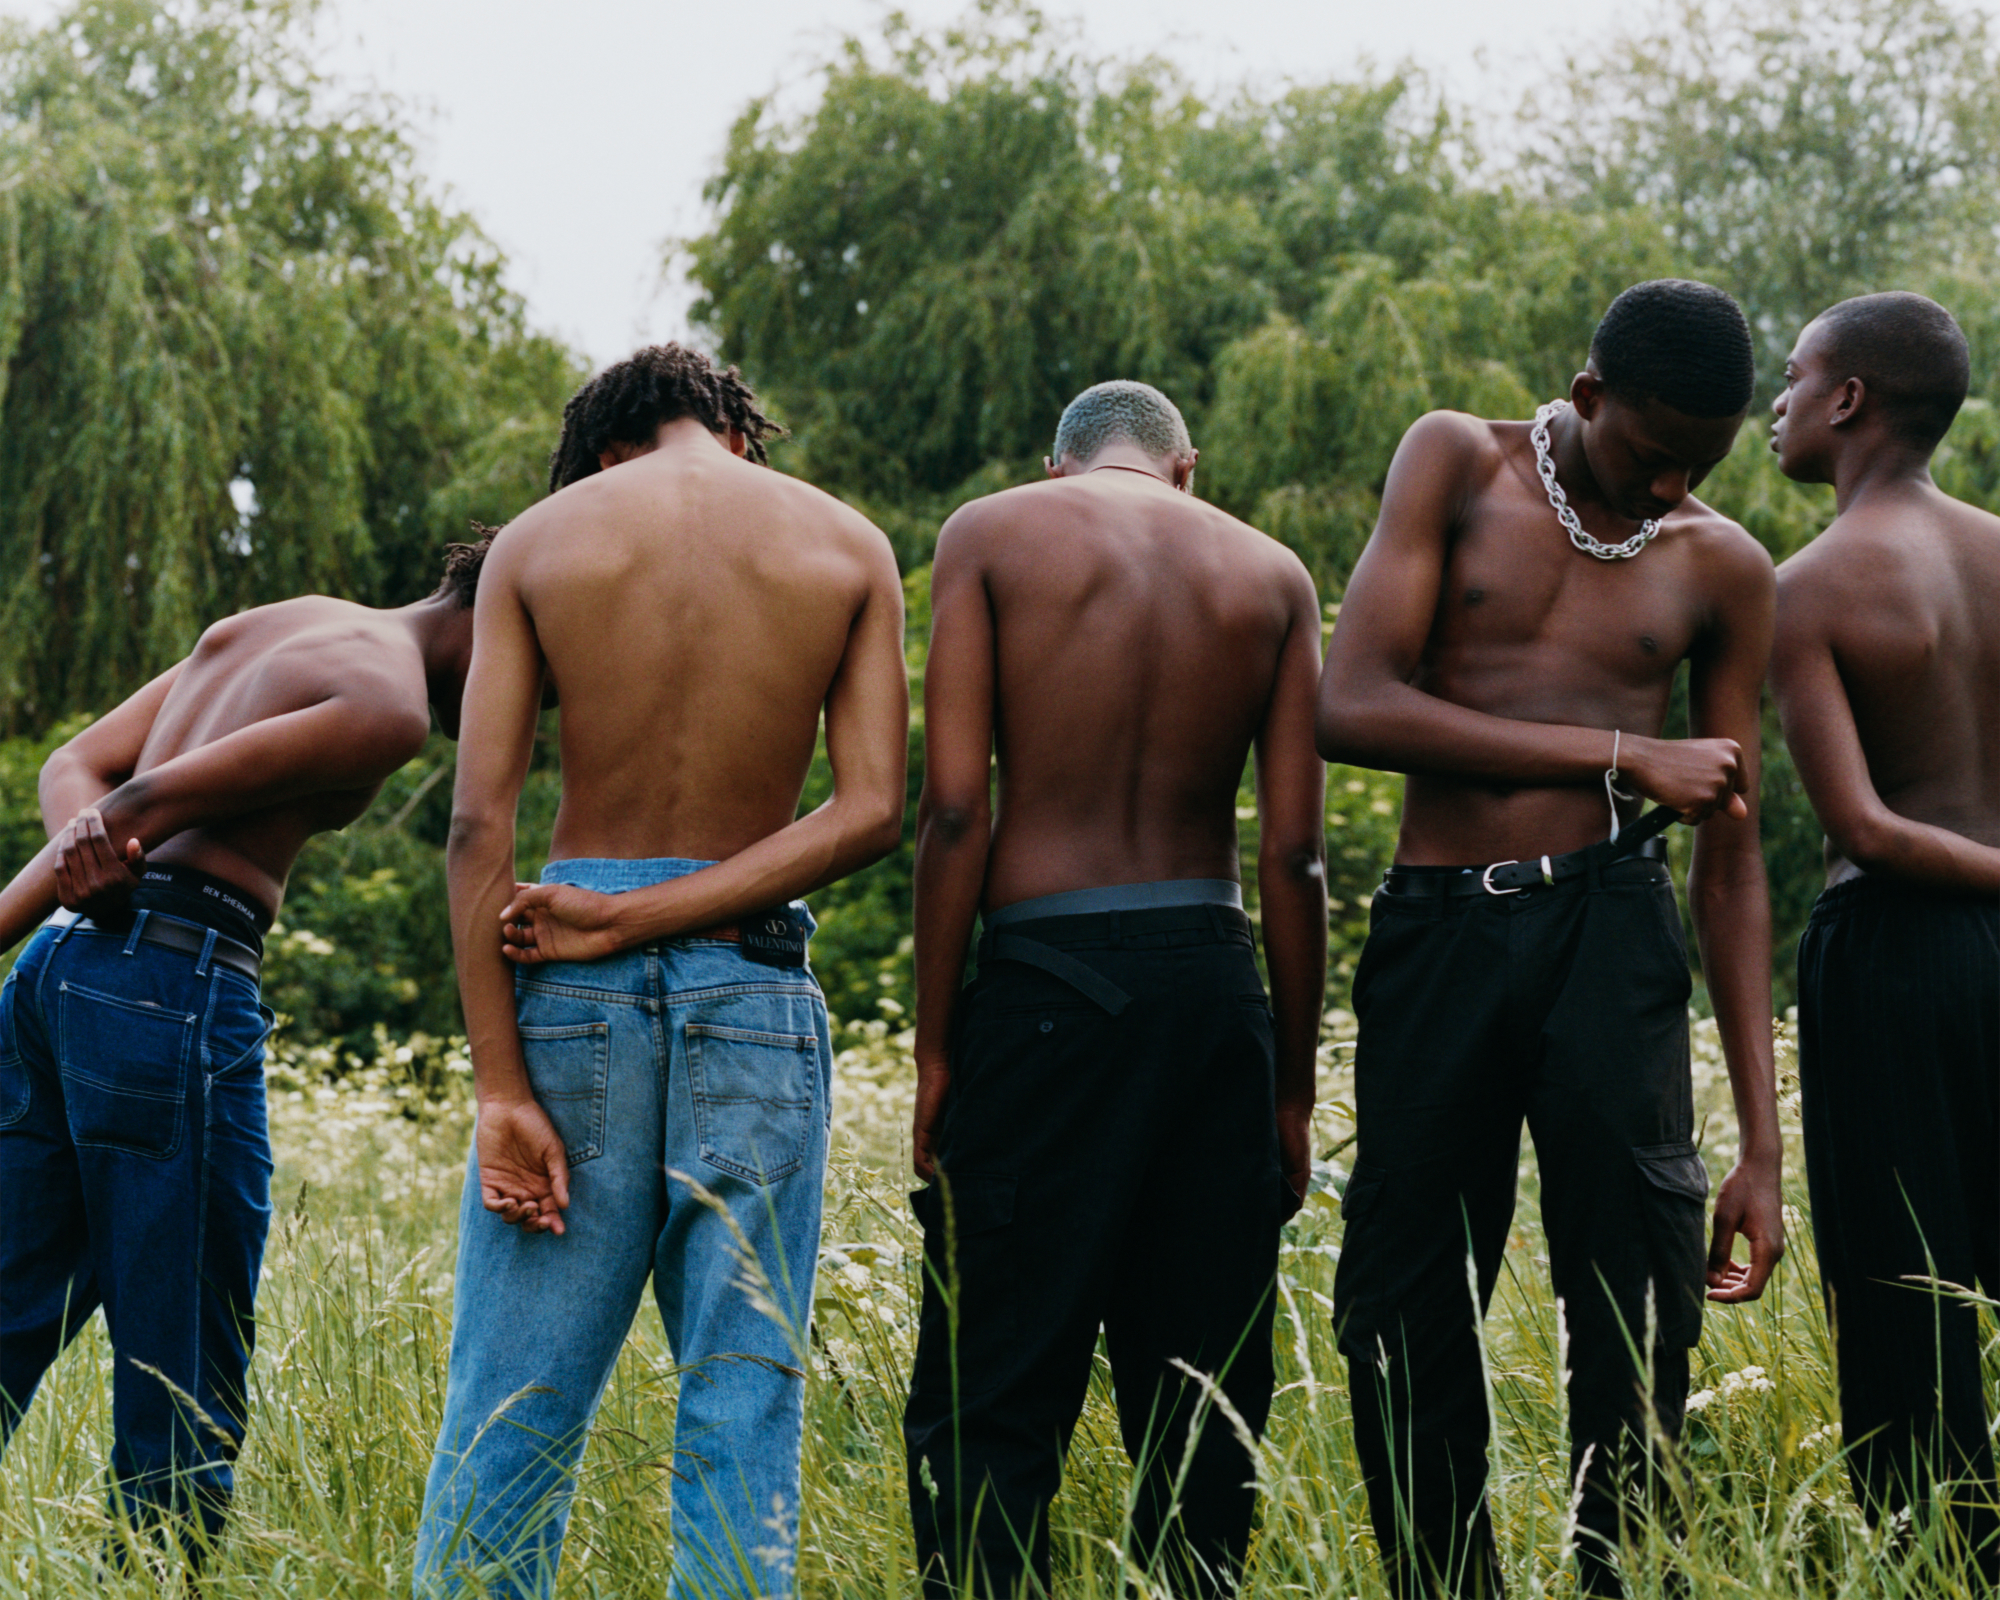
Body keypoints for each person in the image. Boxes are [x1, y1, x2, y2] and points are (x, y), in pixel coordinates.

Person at [1316, 279, 1786, 1598]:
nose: (1671, 485)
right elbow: (1346, 703)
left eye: (1703, 461)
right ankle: (1438, 1583)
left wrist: (1760, 1143)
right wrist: (1625, 751)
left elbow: (1734, 864)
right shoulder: (1453, 460)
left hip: (1613, 930)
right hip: (1438, 930)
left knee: (1637, 1295)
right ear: (1587, 399)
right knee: (1404, 1295)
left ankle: (1623, 1578)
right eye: (1648, 453)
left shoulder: (1725, 566)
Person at [417, 345, 908, 1600]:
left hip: (564, 994)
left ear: (604, 450)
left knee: (508, 1414)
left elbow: (477, 831)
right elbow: (867, 813)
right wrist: (668, 918)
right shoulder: (849, 546)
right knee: (742, 1413)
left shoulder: (538, 541)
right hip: (750, 986)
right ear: (737, 433)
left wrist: (499, 1085)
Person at [903, 379, 1328, 1598]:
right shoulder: (1274, 575)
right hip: (1212, 985)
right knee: (1200, 1403)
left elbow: (952, 811)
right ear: (1185, 467)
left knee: (995, 1388)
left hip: (1044, 980)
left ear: (1059, 468)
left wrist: (939, 1051)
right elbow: (1292, 856)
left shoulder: (991, 534)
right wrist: (1288, 1087)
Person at [0, 548, 483, 1555]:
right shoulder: (389, 701)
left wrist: (80, 882)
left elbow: (76, 773)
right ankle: (155, 1578)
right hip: (171, 983)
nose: (530, 699)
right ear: (490, 608)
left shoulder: (292, 617)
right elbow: (135, 809)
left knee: (6, 1306)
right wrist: (91, 865)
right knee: (184, 1361)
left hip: (64, 971)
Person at [1768, 291, 1999, 1583]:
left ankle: (1939, 1566)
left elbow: (1860, 820)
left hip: (1895, 958)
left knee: (1906, 1297)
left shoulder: (1803, 586)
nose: (1776, 410)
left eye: (1794, 380)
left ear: (1849, 400)